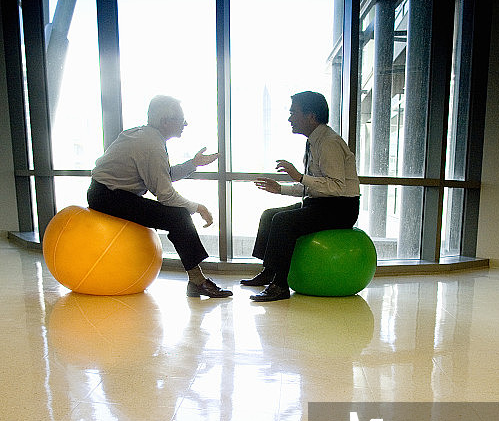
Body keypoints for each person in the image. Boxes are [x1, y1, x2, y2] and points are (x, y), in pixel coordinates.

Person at [87, 95, 232, 299]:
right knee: (179, 217)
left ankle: (196, 280)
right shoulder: (151, 145)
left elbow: (162, 176)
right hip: (108, 197)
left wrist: (193, 164)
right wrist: (199, 208)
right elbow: (165, 195)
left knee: (178, 215)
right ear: (166, 122)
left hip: (105, 193)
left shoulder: (145, 136)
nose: (185, 123)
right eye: (181, 119)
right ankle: (197, 281)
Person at [241, 90, 360, 302]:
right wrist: (281, 189)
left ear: (311, 116)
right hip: (320, 203)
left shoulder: (329, 142)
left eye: (293, 112)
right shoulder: (313, 141)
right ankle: (270, 271)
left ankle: (280, 285)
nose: (289, 118)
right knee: (269, 215)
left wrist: (298, 176)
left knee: (282, 221)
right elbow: (313, 186)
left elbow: (336, 187)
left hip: (341, 208)